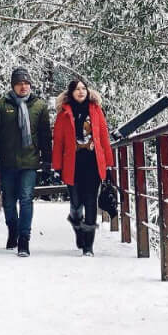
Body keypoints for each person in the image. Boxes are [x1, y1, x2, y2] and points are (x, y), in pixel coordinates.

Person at [0, 66, 51, 257]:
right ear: (13, 85)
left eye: (26, 83)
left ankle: (24, 240)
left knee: (26, 199)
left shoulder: (39, 106)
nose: (23, 87)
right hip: (7, 161)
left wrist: (48, 160)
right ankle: (12, 229)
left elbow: (46, 135)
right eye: (20, 83)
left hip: (29, 161)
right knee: (9, 202)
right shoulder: (1, 106)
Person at [51, 76, 114, 256]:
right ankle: (78, 227)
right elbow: (59, 142)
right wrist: (57, 167)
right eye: (77, 89)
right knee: (76, 202)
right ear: (71, 93)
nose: (81, 92)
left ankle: (88, 246)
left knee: (90, 201)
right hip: (73, 164)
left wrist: (109, 163)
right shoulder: (64, 113)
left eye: (84, 88)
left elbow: (103, 137)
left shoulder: (96, 110)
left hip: (93, 163)